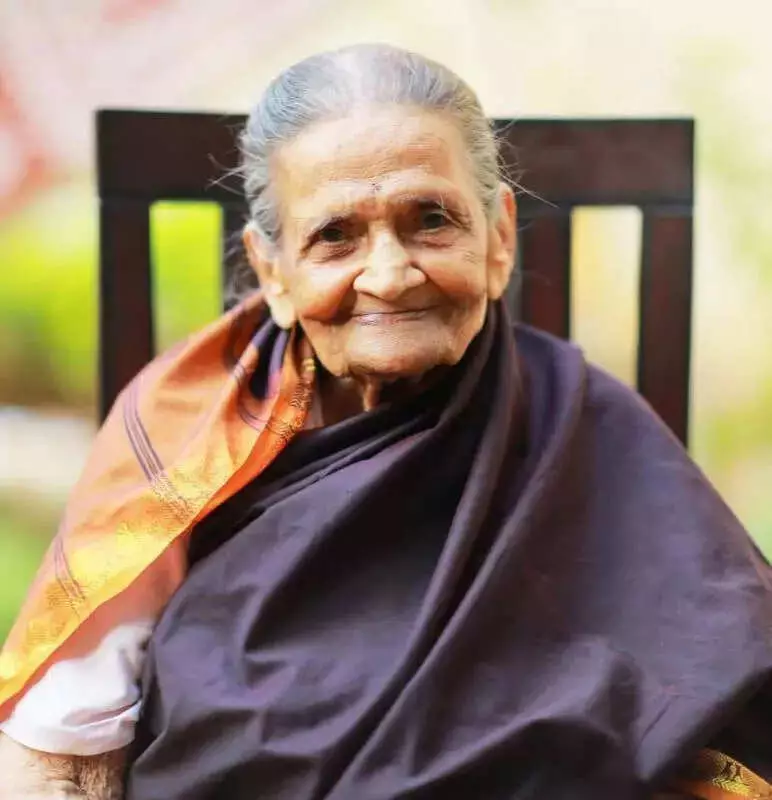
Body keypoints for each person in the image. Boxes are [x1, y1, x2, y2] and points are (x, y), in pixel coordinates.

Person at [1, 43, 771, 800]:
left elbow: (721, 673)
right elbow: (61, 748)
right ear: (272, 271)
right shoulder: (187, 433)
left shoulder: (587, 424)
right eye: (335, 236)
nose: (390, 275)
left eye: (430, 220)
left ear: (499, 238)